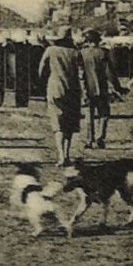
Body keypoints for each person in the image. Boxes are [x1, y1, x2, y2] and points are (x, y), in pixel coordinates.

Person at [38, 32, 83, 168]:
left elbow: (41, 70)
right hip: (73, 90)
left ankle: (61, 155)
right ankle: (67, 154)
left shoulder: (50, 51)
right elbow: (81, 73)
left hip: (55, 88)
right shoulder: (76, 53)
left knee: (58, 123)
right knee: (69, 123)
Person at [79, 30, 124, 149]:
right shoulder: (104, 53)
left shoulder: (82, 53)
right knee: (104, 114)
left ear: (87, 41)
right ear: (98, 41)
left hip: (87, 89)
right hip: (102, 89)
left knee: (89, 115)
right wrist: (117, 87)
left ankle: (89, 140)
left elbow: (80, 73)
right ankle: (100, 138)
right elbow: (110, 73)